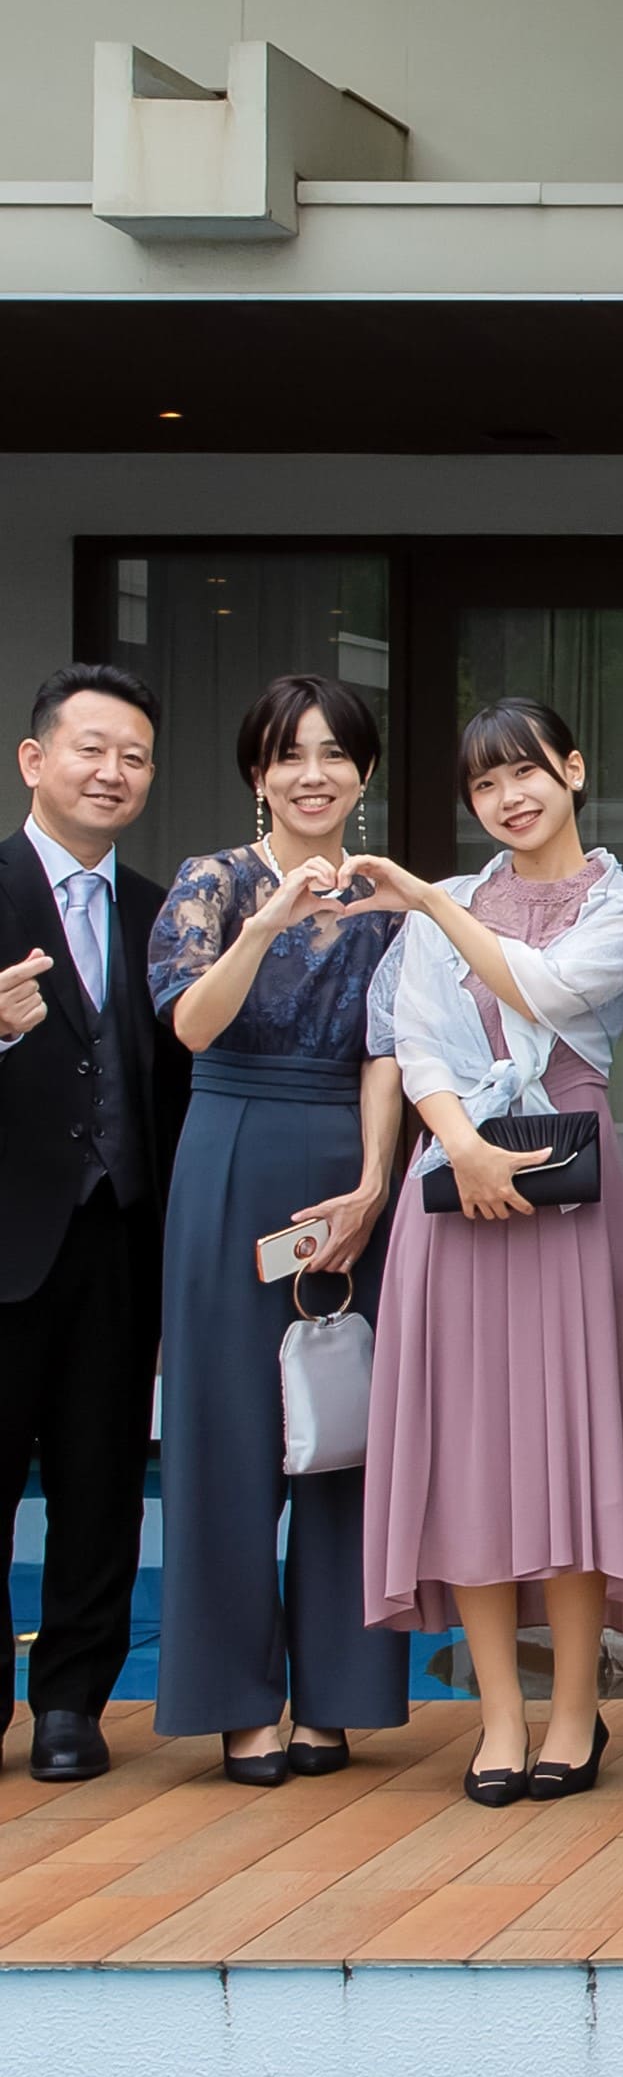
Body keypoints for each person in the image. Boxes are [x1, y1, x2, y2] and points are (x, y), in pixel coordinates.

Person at [346, 700, 623, 1800]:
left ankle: (574, 1713)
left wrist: (433, 905)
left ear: (572, 770)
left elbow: (546, 989)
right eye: (485, 784)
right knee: (471, 1455)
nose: (508, 797)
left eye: (525, 772)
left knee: (570, 1445)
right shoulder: (446, 902)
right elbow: (414, 1043)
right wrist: (463, 1151)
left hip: (571, 1189)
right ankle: (499, 1716)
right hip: (455, 1189)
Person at [147, 674, 408, 1781]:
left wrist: (375, 1184)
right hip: (230, 1153)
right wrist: (265, 923)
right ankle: (236, 1700)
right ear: (259, 771)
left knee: (343, 1423)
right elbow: (191, 1025)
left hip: (347, 1166)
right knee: (226, 1427)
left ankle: (335, 1696)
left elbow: (391, 1052)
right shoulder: (210, 881)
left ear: (363, 771)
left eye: (334, 752)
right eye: (290, 753)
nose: (313, 773)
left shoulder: (389, 897)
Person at [0, 666, 187, 1783]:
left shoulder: (162, 914)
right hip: (5, 1241)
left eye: (135, 757)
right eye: (92, 749)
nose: (113, 772)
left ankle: (72, 1702)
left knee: (103, 1477)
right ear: (35, 759)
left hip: (122, 1237)